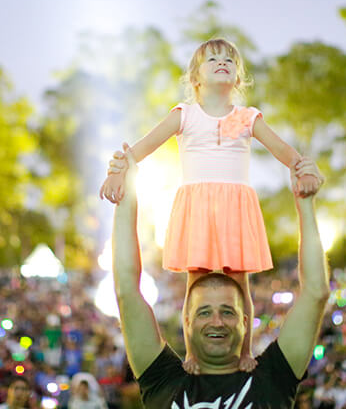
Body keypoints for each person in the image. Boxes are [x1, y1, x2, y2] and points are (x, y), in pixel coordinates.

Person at [100, 37, 322, 373]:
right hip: (197, 207)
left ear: (237, 76)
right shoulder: (185, 115)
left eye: (229, 60)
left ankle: (245, 351)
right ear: (195, 77)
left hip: (235, 206)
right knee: (197, 281)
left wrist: (305, 169)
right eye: (212, 59)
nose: (222, 62)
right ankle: (192, 353)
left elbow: (287, 154)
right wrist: (118, 170)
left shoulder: (245, 118)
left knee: (239, 282)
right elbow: (138, 151)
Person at [110, 144, 329, 407]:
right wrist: (125, 195)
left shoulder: (273, 378)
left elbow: (316, 292)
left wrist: (305, 204)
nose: (217, 321)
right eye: (204, 312)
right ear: (187, 321)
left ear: (245, 321)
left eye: (228, 311)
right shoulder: (162, 380)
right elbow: (126, 290)